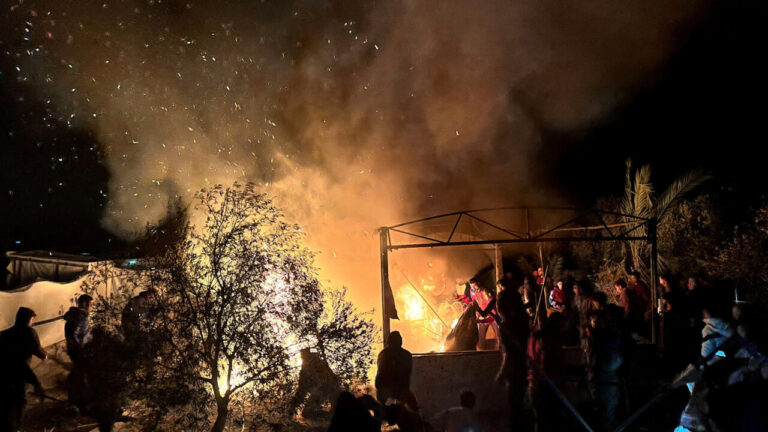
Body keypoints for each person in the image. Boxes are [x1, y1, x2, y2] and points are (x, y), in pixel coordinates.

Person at [0, 307, 46, 432]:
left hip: (4, 377)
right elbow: (35, 351)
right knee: (19, 404)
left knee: (6, 407)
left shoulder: (4, 334)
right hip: (19, 377)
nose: (33, 322)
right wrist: (37, 383)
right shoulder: (30, 332)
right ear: (29, 319)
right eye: (32, 319)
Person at [496, 285, 529, 431]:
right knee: (522, 409)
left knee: (514, 410)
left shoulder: (505, 326)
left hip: (515, 372)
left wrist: (501, 374)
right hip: (527, 370)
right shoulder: (524, 321)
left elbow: (508, 355)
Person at [289, 348, 340, 418]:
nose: (304, 358)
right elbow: (301, 390)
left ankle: (331, 417)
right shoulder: (307, 368)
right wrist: (293, 406)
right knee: (307, 413)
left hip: (326, 389)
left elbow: (302, 390)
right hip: (328, 389)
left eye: (305, 356)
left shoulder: (317, 364)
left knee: (307, 413)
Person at [375, 331, 416, 410]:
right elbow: (406, 375)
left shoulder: (383, 354)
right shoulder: (405, 355)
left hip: (388, 391)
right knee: (412, 409)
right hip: (390, 390)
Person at [64, 294, 93, 363]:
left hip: (74, 349)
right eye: (91, 305)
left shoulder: (74, 314)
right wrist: (81, 348)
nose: (92, 308)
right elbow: (73, 334)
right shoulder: (82, 317)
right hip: (80, 349)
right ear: (85, 305)